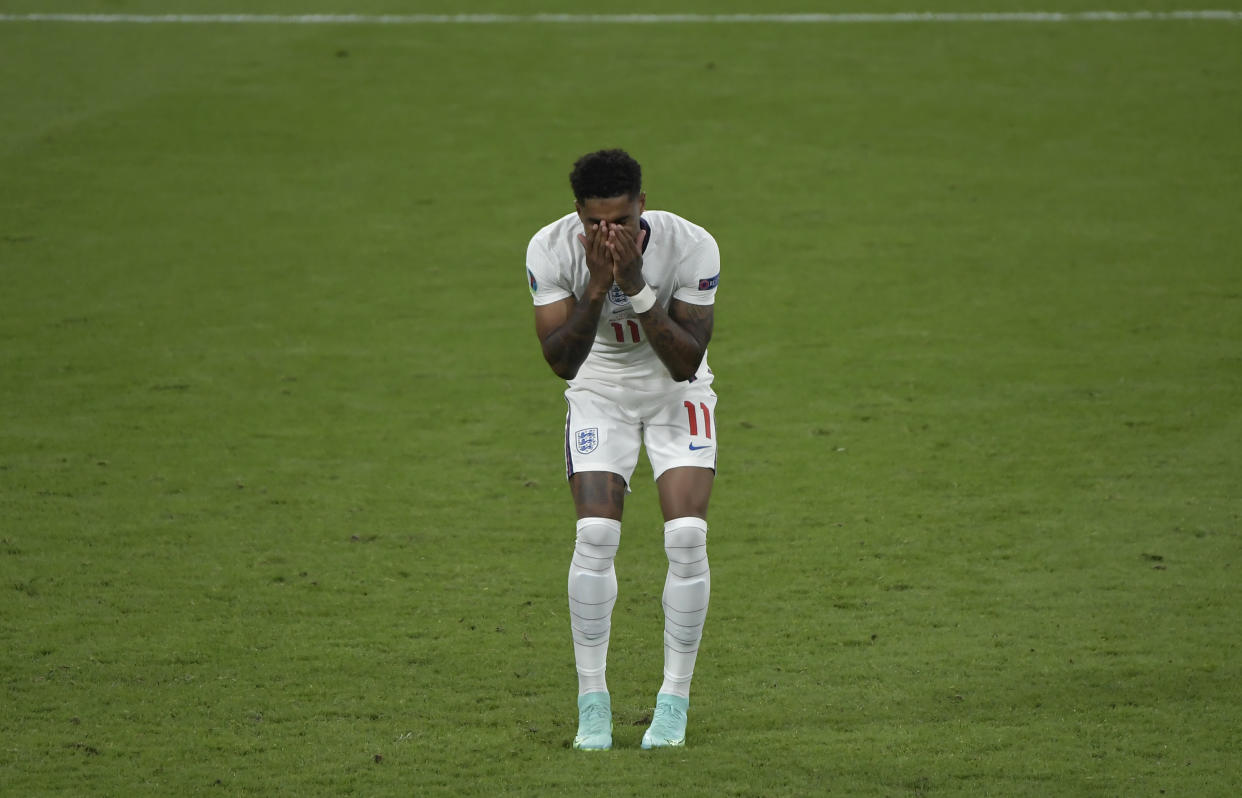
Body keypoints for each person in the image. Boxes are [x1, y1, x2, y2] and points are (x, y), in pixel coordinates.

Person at [525, 149, 720, 751]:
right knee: (596, 538)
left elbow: (685, 360)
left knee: (686, 534)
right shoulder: (551, 249)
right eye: (594, 225)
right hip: (598, 392)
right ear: (577, 215)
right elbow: (562, 362)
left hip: (672, 390)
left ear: (643, 203)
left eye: (622, 222)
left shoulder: (692, 246)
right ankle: (593, 704)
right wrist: (598, 284)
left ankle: (673, 703)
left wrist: (634, 285)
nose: (609, 235)